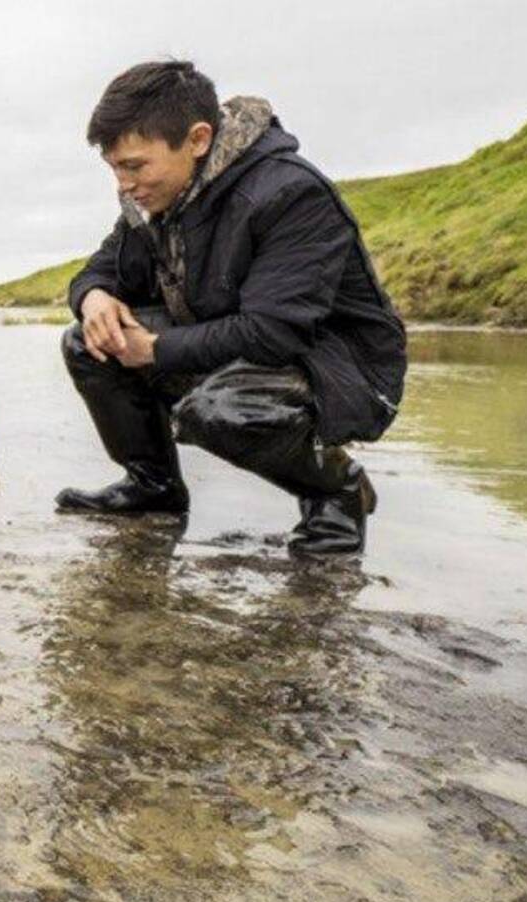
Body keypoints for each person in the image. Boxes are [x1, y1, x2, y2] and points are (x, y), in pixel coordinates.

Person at [56, 60, 407, 555]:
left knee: (222, 411)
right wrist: (93, 298)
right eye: (115, 167)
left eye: (135, 165)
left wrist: (154, 349)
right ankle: (154, 487)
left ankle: (337, 492)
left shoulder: (290, 193)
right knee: (87, 341)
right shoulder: (154, 199)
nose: (124, 184)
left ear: (197, 140)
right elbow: (101, 270)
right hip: (238, 343)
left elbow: (272, 332)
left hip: (339, 370)